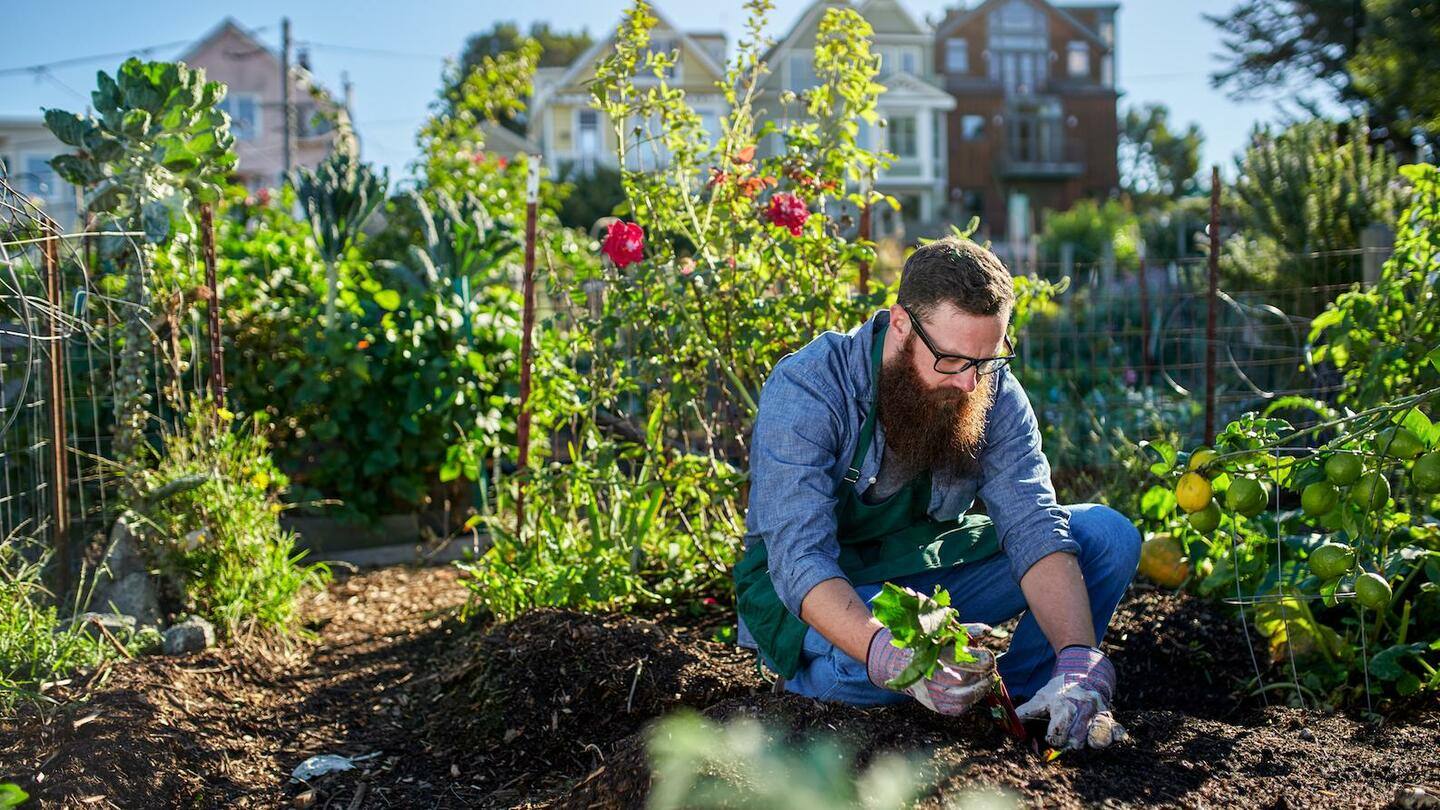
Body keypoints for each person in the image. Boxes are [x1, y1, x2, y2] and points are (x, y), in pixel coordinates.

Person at [733, 236, 1140, 750]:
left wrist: (1078, 657)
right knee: (874, 671)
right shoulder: (811, 388)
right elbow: (799, 559)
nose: (970, 384)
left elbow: (1033, 522)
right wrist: (887, 654)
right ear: (901, 324)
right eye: (951, 360)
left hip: (920, 570)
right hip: (817, 590)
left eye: (986, 361)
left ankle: (1026, 705)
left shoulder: (989, 387)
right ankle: (813, 688)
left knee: (1106, 536)